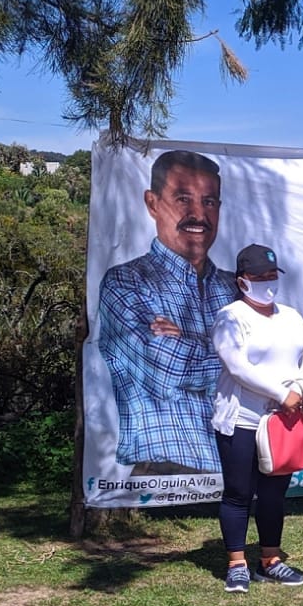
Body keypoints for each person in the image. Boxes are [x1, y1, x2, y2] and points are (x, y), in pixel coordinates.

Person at [98, 150, 238, 475]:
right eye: (183, 199)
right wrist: (237, 359)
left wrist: (186, 340)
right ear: (152, 203)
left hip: (236, 464)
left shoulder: (234, 289)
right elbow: (166, 366)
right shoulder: (126, 282)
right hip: (166, 472)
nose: (198, 215)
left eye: (209, 202)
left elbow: (270, 362)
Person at [211, 244, 303, 593]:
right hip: (242, 418)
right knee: (239, 493)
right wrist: (280, 392)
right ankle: (237, 563)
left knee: (274, 494)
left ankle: (270, 560)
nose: (268, 283)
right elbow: (238, 366)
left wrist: (300, 388)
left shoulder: (292, 316)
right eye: (259, 277)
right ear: (243, 281)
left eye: (272, 276)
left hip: (282, 421)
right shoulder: (230, 317)